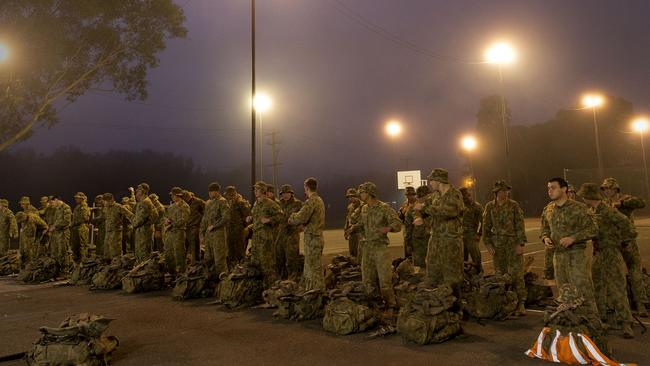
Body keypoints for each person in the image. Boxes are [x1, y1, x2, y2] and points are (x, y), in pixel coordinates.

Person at [578, 183, 635, 338]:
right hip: (598, 254)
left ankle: (626, 323)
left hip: (611, 253)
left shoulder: (607, 210)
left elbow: (626, 223)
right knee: (598, 288)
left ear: (589, 196)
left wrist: (626, 241)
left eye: (584, 195)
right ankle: (601, 319)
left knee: (617, 288)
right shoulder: (592, 211)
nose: (582, 198)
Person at [541, 177, 598, 310]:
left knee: (583, 291)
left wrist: (574, 238)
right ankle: (572, 326)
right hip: (558, 257)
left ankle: (593, 323)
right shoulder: (548, 209)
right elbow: (544, 228)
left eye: (553, 187)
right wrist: (545, 238)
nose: (550, 191)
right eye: (548, 188)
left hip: (576, 257)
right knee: (564, 293)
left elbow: (593, 229)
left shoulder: (579, 208)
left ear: (564, 189)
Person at [347, 182, 401, 307]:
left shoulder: (384, 208)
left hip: (380, 248)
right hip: (367, 248)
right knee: (367, 280)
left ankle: (391, 305)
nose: (360, 194)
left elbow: (397, 224)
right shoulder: (364, 208)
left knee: (384, 281)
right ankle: (373, 306)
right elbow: (362, 223)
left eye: (362, 192)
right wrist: (353, 228)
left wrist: (387, 228)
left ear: (370, 193)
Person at [601, 177, 648, 317]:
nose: (606, 191)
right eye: (604, 189)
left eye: (608, 188)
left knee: (635, 272)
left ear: (615, 188)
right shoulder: (604, 203)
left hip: (628, 242)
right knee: (616, 275)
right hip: (613, 244)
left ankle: (640, 304)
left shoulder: (625, 198)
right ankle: (619, 304)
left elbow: (641, 202)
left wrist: (621, 203)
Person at [414, 168, 464, 298]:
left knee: (452, 274)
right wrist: (419, 216)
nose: (430, 183)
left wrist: (425, 208)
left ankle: (455, 306)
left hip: (450, 240)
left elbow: (449, 212)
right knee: (433, 271)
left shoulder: (455, 194)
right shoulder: (435, 195)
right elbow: (422, 208)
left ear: (439, 180)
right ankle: (437, 303)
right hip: (435, 238)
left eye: (432, 180)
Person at [482, 180, 527, 316]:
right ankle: (504, 303)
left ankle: (521, 303)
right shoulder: (489, 207)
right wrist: (488, 245)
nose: (505, 193)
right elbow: (486, 228)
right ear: (496, 192)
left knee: (517, 274)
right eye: (502, 191)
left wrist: (520, 243)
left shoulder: (513, 205)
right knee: (500, 275)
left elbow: (520, 225)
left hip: (512, 243)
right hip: (498, 246)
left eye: (506, 190)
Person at [289, 178, 326, 290]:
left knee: (313, 269)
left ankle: (316, 294)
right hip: (317, 237)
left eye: (304, 188)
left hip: (312, 240)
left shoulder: (311, 201)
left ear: (306, 187)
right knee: (314, 267)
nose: (304, 190)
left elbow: (301, 217)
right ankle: (316, 292)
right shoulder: (319, 200)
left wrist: (292, 217)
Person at [247, 181, 283, 288]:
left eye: (257, 189)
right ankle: (259, 288)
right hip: (256, 238)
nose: (255, 191)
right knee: (256, 263)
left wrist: (269, 220)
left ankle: (271, 288)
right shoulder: (256, 203)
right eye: (255, 189)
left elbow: (281, 216)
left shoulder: (270, 203)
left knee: (267, 264)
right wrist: (250, 218)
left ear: (263, 191)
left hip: (266, 239)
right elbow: (256, 216)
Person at [200, 182, 230, 277]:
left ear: (217, 192)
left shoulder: (222, 201)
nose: (209, 193)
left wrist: (214, 225)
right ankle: (211, 282)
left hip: (218, 234)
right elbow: (204, 219)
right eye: (209, 191)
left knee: (219, 259)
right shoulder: (208, 203)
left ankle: (223, 283)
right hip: (208, 235)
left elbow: (226, 217)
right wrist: (201, 235)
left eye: (212, 191)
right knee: (208, 258)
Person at [276, 184, 303, 280]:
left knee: (291, 259)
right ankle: (282, 280)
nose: (285, 195)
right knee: (280, 258)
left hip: (292, 236)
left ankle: (292, 280)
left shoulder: (298, 204)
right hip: (280, 235)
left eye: (287, 193)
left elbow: (303, 218)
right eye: (283, 193)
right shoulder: (279, 203)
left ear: (291, 193)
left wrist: (300, 227)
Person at [164, 187, 190, 275]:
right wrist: (166, 221)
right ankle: (172, 273)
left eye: (173, 195)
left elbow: (183, 220)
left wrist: (171, 224)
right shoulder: (171, 206)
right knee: (169, 253)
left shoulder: (185, 206)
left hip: (179, 233)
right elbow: (167, 217)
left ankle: (181, 274)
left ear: (178, 195)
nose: (172, 197)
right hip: (170, 233)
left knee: (179, 253)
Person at [101, 193, 134, 260]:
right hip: (108, 232)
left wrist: (135, 223)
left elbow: (130, 215)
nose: (104, 203)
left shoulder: (118, 207)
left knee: (115, 252)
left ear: (110, 200)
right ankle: (107, 265)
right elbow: (103, 217)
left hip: (116, 233)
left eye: (105, 201)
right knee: (107, 251)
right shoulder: (106, 208)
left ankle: (117, 265)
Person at [223, 186, 251, 266]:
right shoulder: (230, 202)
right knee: (230, 248)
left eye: (228, 195)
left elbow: (247, 216)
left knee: (239, 249)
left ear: (232, 194)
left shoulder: (241, 202)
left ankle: (241, 265)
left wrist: (242, 226)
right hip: (230, 229)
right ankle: (232, 266)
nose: (227, 197)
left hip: (238, 230)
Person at [459, 187, 483, 273]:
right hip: (460, 235)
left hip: (472, 235)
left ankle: (479, 273)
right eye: (464, 197)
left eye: (468, 196)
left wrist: (478, 234)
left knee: (476, 257)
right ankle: (464, 275)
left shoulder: (477, 206)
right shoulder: (459, 207)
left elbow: (482, 222)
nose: (466, 198)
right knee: (462, 258)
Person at [133, 183, 158, 262]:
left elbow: (138, 221)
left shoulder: (145, 202)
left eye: (138, 189)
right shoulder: (143, 202)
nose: (136, 191)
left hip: (144, 232)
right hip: (142, 231)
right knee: (140, 253)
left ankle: (145, 271)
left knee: (144, 254)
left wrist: (133, 222)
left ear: (143, 191)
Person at [48, 196, 72, 272]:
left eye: (52, 202)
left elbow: (66, 221)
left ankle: (65, 272)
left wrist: (55, 226)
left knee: (63, 252)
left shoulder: (66, 208)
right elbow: (57, 221)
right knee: (56, 252)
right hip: (57, 233)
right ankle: (57, 271)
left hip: (63, 233)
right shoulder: (58, 209)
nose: (52, 204)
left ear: (56, 200)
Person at [183, 190, 205, 265]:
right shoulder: (183, 203)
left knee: (194, 246)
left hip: (194, 227)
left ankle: (196, 263)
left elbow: (205, 211)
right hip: (185, 227)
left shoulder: (198, 201)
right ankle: (184, 264)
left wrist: (200, 220)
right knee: (184, 247)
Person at [70, 192, 91, 261]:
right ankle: (77, 261)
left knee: (82, 246)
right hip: (76, 228)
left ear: (81, 199)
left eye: (77, 198)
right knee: (75, 246)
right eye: (75, 198)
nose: (76, 199)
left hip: (81, 228)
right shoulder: (78, 207)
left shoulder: (84, 207)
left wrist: (73, 223)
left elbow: (84, 218)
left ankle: (83, 261)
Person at [398, 186, 417, 259]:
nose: (409, 197)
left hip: (416, 233)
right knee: (408, 254)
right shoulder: (405, 204)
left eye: (411, 195)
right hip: (407, 233)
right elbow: (401, 218)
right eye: (407, 195)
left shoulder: (419, 204)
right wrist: (401, 214)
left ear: (414, 194)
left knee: (417, 255)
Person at [343, 188, 362, 258]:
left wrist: (354, 227)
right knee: (352, 253)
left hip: (360, 233)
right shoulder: (350, 207)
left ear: (356, 196)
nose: (350, 198)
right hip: (352, 234)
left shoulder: (363, 206)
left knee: (360, 254)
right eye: (349, 197)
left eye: (352, 196)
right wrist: (345, 230)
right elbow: (348, 219)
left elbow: (363, 220)